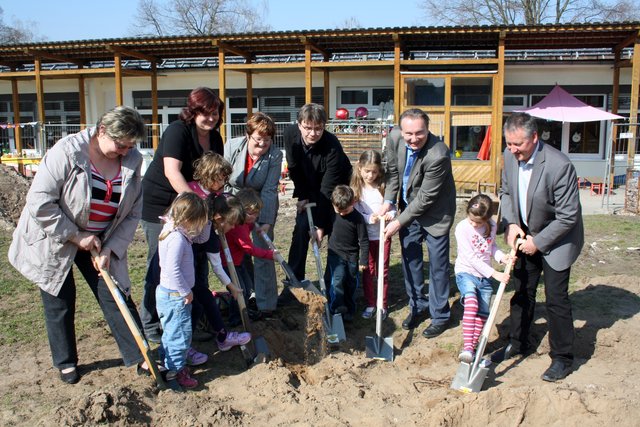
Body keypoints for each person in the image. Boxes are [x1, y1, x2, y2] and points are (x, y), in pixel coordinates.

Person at [8, 106, 148, 384]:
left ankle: (140, 354)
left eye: (130, 146)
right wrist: (76, 236)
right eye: (121, 145)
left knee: (115, 294)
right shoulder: (67, 152)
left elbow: (133, 211)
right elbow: (40, 202)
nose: (125, 151)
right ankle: (66, 362)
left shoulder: (131, 159)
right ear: (102, 131)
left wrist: (110, 248)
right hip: (55, 236)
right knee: (59, 297)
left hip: (99, 240)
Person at [492, 112, 584, 382]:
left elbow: (568, 216)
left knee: (556, 299)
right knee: (522, 291)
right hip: (525, 234)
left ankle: (563, 358)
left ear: (535, 137)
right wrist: (509, 224)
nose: (512, 150)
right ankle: (518, 343)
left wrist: (538, 242)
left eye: (518, 144)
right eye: (509, 143)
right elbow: (506, 192)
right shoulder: (509, 156)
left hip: (558, 238)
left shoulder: (559, 165)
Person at [140, 87, 224, 342]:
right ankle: (153, 322)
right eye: (205, 112)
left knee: (195, 265)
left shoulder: (216, 138)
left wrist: (214, 203)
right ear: (193, 111)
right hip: (162, 206)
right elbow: (172, 172)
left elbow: (213, 174)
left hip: (194, 210)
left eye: (215, 113)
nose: (210, 118)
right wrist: (197, 204)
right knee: (161, 265)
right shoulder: (178, 131)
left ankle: (190, 319)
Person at [379, 108, 456, 338]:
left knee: (438, 266)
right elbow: (393, 173)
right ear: (401, 131)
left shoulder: (438, 154)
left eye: (419, 133)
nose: (413, 139)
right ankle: (417, 306)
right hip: (407, 209)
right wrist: (388, 201)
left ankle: (440, 315)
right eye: (408, 133)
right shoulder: (394, 138)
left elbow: (425, 198)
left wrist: (398, 222)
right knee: (410, 261)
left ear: (428, 129)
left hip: (436, 215)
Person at [282, 103, 352, 303]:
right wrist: (302, 195)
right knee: (301, 231)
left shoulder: (332, 145)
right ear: (299, 125)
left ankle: (335, 290)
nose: (313, 133)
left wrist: (320, 226)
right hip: (309, 188)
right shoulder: (290, 135)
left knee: (337, 238)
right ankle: (294, 284)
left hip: (336, 191)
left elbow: (328, 187)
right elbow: (294, 167)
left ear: (324, 126)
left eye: (318, 128)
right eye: (308, 128)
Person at [224, 112, 282, 316]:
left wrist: (265, 220)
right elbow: (223, 179)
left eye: (267, 140)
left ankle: (266, 304)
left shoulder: (275, 154)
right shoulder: (232, 146)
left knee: (263, 250)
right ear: (248, 136)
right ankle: (246, 295)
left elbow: (269, 189)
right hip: (233, 203)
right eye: (258, 139)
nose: (262, 144)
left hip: (259, 205)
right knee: (239, 251)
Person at [156, 192, 211, 389]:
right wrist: (185, 291)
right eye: (199, 222)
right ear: (188, 219)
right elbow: (172, 269)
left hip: (168, 293)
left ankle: (166, 364)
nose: (199, 227)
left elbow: (202, 238)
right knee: (180, 336)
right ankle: (176, 373)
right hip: (176, 296)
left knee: (170, 334)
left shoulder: (172, 229)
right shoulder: (178, 239)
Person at [454, 194, 512, 363]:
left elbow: (491, 247)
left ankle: (472, 347)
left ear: (487, 219)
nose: (474, 224)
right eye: (472, 219)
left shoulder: (492, 226)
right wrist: (494, 274)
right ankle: (467, 347)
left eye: (478, 222)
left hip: (484, 277)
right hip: (466, 272)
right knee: (471, 303)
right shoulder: (462, 228)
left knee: (483, 314)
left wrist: (502, 258)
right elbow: (471, 257)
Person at [351, 150, 395, 320]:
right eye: (367, 171)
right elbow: (354, 213)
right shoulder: (357, 190)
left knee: (382, 271)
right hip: (366, 238)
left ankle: (382, 305)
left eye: (374, 172)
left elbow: (393, 206)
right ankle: (370, 303)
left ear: (379, 171)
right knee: (368, 271)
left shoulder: (383, 188)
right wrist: (370, 218)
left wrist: (392, 215)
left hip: (383, 236)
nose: (370, 175)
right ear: (360, 168)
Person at [223, 188, 276, 325]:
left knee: (247, 288)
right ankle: (236, 319)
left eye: (256, 214)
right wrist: (270, 255)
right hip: (229, 264)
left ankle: (243, 312)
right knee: (240, 292)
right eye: (250, 213)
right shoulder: (238, 227)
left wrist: (256, 227)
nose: (254, 217)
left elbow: (249, 226)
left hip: (238, 262)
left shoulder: (244, 223)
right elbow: (250, 249)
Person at [324, 185, 369, 321]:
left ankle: (350, 309)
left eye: (345, 210)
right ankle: (336, 308)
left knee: (350, 282)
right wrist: (318, 231)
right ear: (333, 205)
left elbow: (364, 241)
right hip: (335, 254)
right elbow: (324, 226)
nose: (342, 213)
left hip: (352, 256)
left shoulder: (358, 219)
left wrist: (363, 260)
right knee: (336, 281)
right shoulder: (332, 214)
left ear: (353, 203)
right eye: (339, 210)